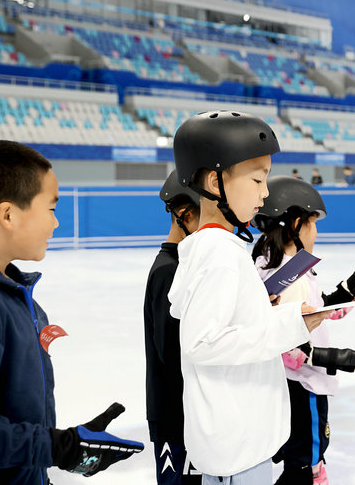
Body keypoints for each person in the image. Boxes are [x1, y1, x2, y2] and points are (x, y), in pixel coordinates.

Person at [168, 111, 329, 484]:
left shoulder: (218, 249)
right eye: (257, 179)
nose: (266, 191)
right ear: (214, 181)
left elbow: (234, 328)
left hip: (240, 449)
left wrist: (291, 319)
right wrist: (291, 324)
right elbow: (203, 343)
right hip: (237, 455)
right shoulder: (220, 254)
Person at [0, 140, 144, 484]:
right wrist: (57, 446)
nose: (56, 224)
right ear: (8, 214)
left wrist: (61, 448)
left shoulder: (18, 297)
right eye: (51, 209)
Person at [251, 176, 355, 484]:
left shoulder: (282, 267)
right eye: (313, 223)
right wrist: (333, 357)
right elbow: (279, 341)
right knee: (305, 463)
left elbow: (321, 310)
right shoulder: (285, 277)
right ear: (296, 224)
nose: (316, 231)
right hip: (302, 386)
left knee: (306, 459)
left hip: (292, 385)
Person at [144, 170, 202, 484]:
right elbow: (170, 348)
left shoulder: (186, 266)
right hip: (173, 415)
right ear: (184, 215)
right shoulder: (169, 270)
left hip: (189, 412)